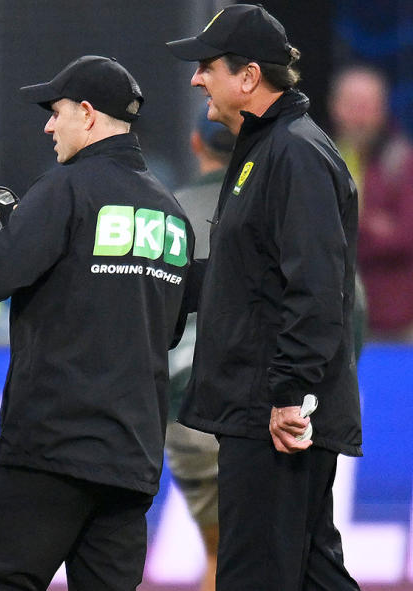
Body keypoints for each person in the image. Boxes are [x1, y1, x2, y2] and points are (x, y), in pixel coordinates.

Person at [0, 55, 193, 591]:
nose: (47, 125)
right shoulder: (172, 214)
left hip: (50, 451)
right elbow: (169, 326)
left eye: (56, 111)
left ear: (87, 115)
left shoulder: (66, 188)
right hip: (130, 461)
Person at [167, 4, 362, 589]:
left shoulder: (293, 152)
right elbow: (250, 279)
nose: (196, 78)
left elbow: (318, 288)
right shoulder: (267, 148)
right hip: (262, 407)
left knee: (257, 575)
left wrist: (289, 396)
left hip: (273, 417)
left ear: (248, 76)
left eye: (207, 66)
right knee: (311, 574)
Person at [164, 113, 234, 591]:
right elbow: (346, 299)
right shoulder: (278, 207)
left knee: (218, 551)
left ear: (195, 143)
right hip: (261, 408)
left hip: (182, 408)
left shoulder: (168, 214)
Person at [329, 64, 413, 342]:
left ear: (382, 110)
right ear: (335, 107)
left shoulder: (401, 162)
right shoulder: (321, 158)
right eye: (353, 106)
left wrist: (350, 224)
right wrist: (373, 223)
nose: (360, 117)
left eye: (368, 106)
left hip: (393, 325)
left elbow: (404, 237)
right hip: (333, 323)